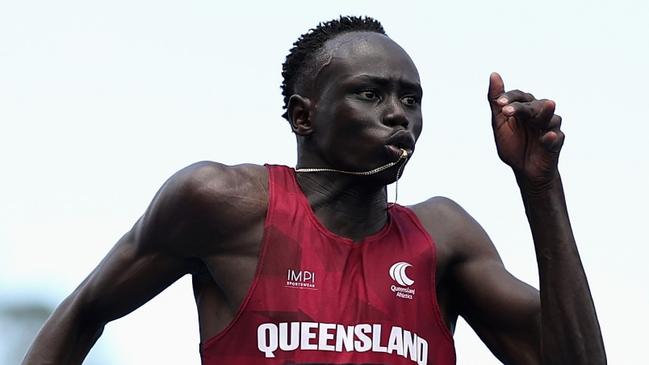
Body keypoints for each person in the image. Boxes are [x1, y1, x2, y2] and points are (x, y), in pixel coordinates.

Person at [22, 16, 606, 365]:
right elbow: (83, 312)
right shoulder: (221, 203)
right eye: (371, 94)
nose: (399, 115)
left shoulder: (443, 238)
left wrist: (541, 187)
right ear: (304, 117)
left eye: (411, 99)